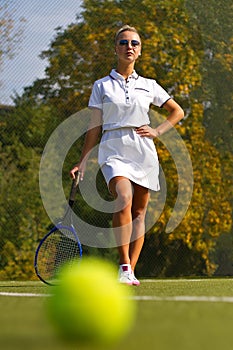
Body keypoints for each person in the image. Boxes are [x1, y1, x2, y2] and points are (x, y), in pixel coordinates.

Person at [70, 25, 184, 286]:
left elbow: (177, 111)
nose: (129, 46)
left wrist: (157, 130)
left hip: (143, 150)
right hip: (113, 148)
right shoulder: (101, 86)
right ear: (115, 48)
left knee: (140, 214)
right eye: (123, 42)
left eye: (134, 43)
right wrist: (83, 160)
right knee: (124, 198)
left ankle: (129, 271)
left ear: (140, 50)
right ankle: (124, 265)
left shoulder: (149, 85)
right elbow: (94, 127)